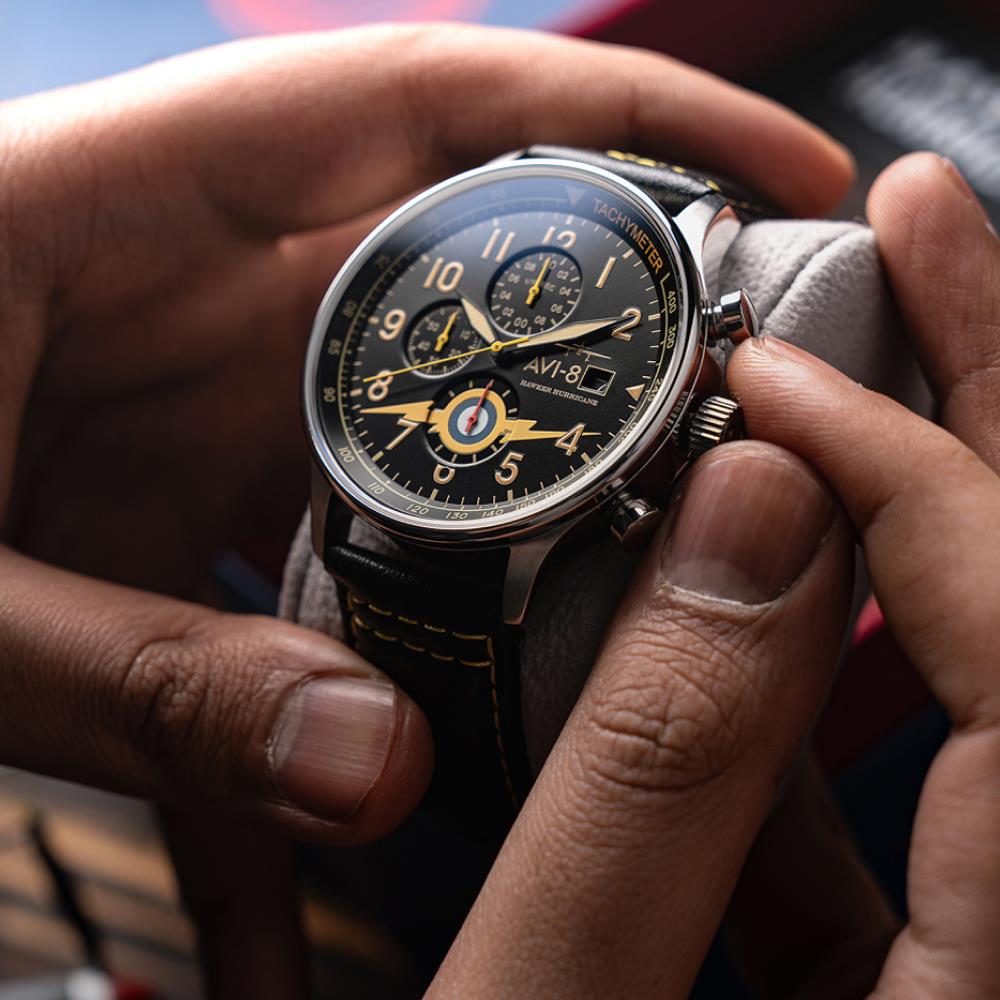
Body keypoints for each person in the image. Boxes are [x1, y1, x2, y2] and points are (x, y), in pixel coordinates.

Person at [0, 22, 996, 999]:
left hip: (532, 538)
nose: (496, 350)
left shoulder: (688, 355)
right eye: (477, 334)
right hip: (399, 508)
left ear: (710, 358)